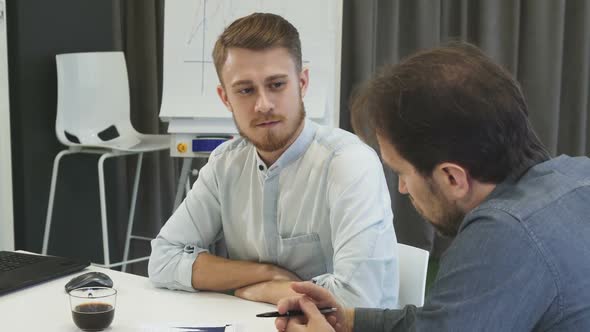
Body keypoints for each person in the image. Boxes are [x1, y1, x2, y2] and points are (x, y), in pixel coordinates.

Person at [274, 42, 590, 331]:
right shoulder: (578, 175)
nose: (402, 188)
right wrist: (349, 319)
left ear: (452, 178)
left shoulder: (505, 233)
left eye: (402, 172)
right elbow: (448, 319)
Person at [148, 13, 399, 308]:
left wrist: (260, 290)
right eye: (245, 90)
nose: (263, 105)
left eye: (277, 84)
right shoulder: (225, 164)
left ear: (302, 83)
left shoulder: (349, 163)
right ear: (225, 98)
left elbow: (357, 299)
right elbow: (163, 259)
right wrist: (266, 273)